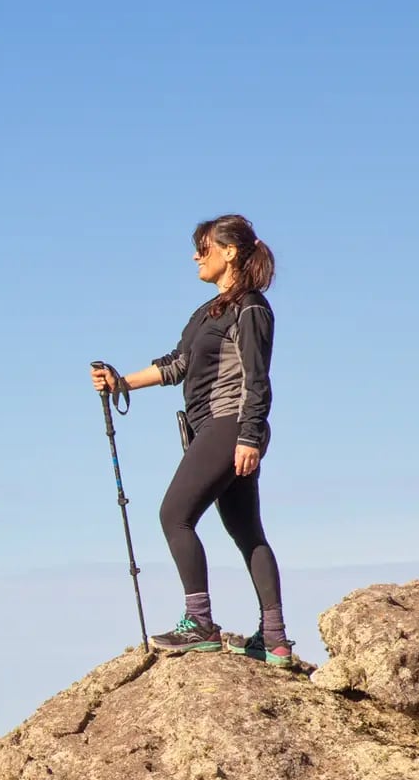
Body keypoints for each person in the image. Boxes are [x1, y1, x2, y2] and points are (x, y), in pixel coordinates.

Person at [90, 214, 291, 664]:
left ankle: (199, 622)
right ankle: (274, 639)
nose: (195, 257)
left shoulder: (251, 307)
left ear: (229, 252)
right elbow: (177, 364)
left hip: (231, 425)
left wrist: (249, 437)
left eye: (203, 248)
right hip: (219, 429)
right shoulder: (208, 313)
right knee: (245, 530)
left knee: (173, 514)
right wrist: (121, 382)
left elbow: (258, 380)